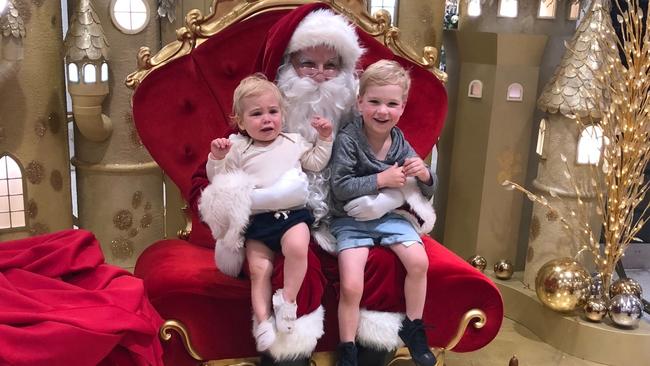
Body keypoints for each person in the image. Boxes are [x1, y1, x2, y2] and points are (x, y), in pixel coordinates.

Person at [202, 74, 333, 352]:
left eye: (273, 112)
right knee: (260, 270)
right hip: (257, 222)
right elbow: (220, 180)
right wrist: (217, 157)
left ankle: (288, 301)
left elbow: (316, 163)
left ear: (282, 115)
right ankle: (262, 321)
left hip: (291, 216)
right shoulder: (238, 147)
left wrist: (324, 138)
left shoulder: (293, 141)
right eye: (256, 114)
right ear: (240, 121)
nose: (267, 119)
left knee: (298, 247)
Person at [329, 60, 436, 366]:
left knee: (418, 262)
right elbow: (340, 186)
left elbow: (426, 190)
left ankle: (414, 328)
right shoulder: (349, 139)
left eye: (392, 104)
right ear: (360, 102)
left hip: (389, 218)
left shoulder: (399, 141)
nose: (382, 111)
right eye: (374, 102)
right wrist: (381, 180)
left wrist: (425, 174)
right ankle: (347, 349)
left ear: (402, 108)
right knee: (351, 284)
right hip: (351, 220)